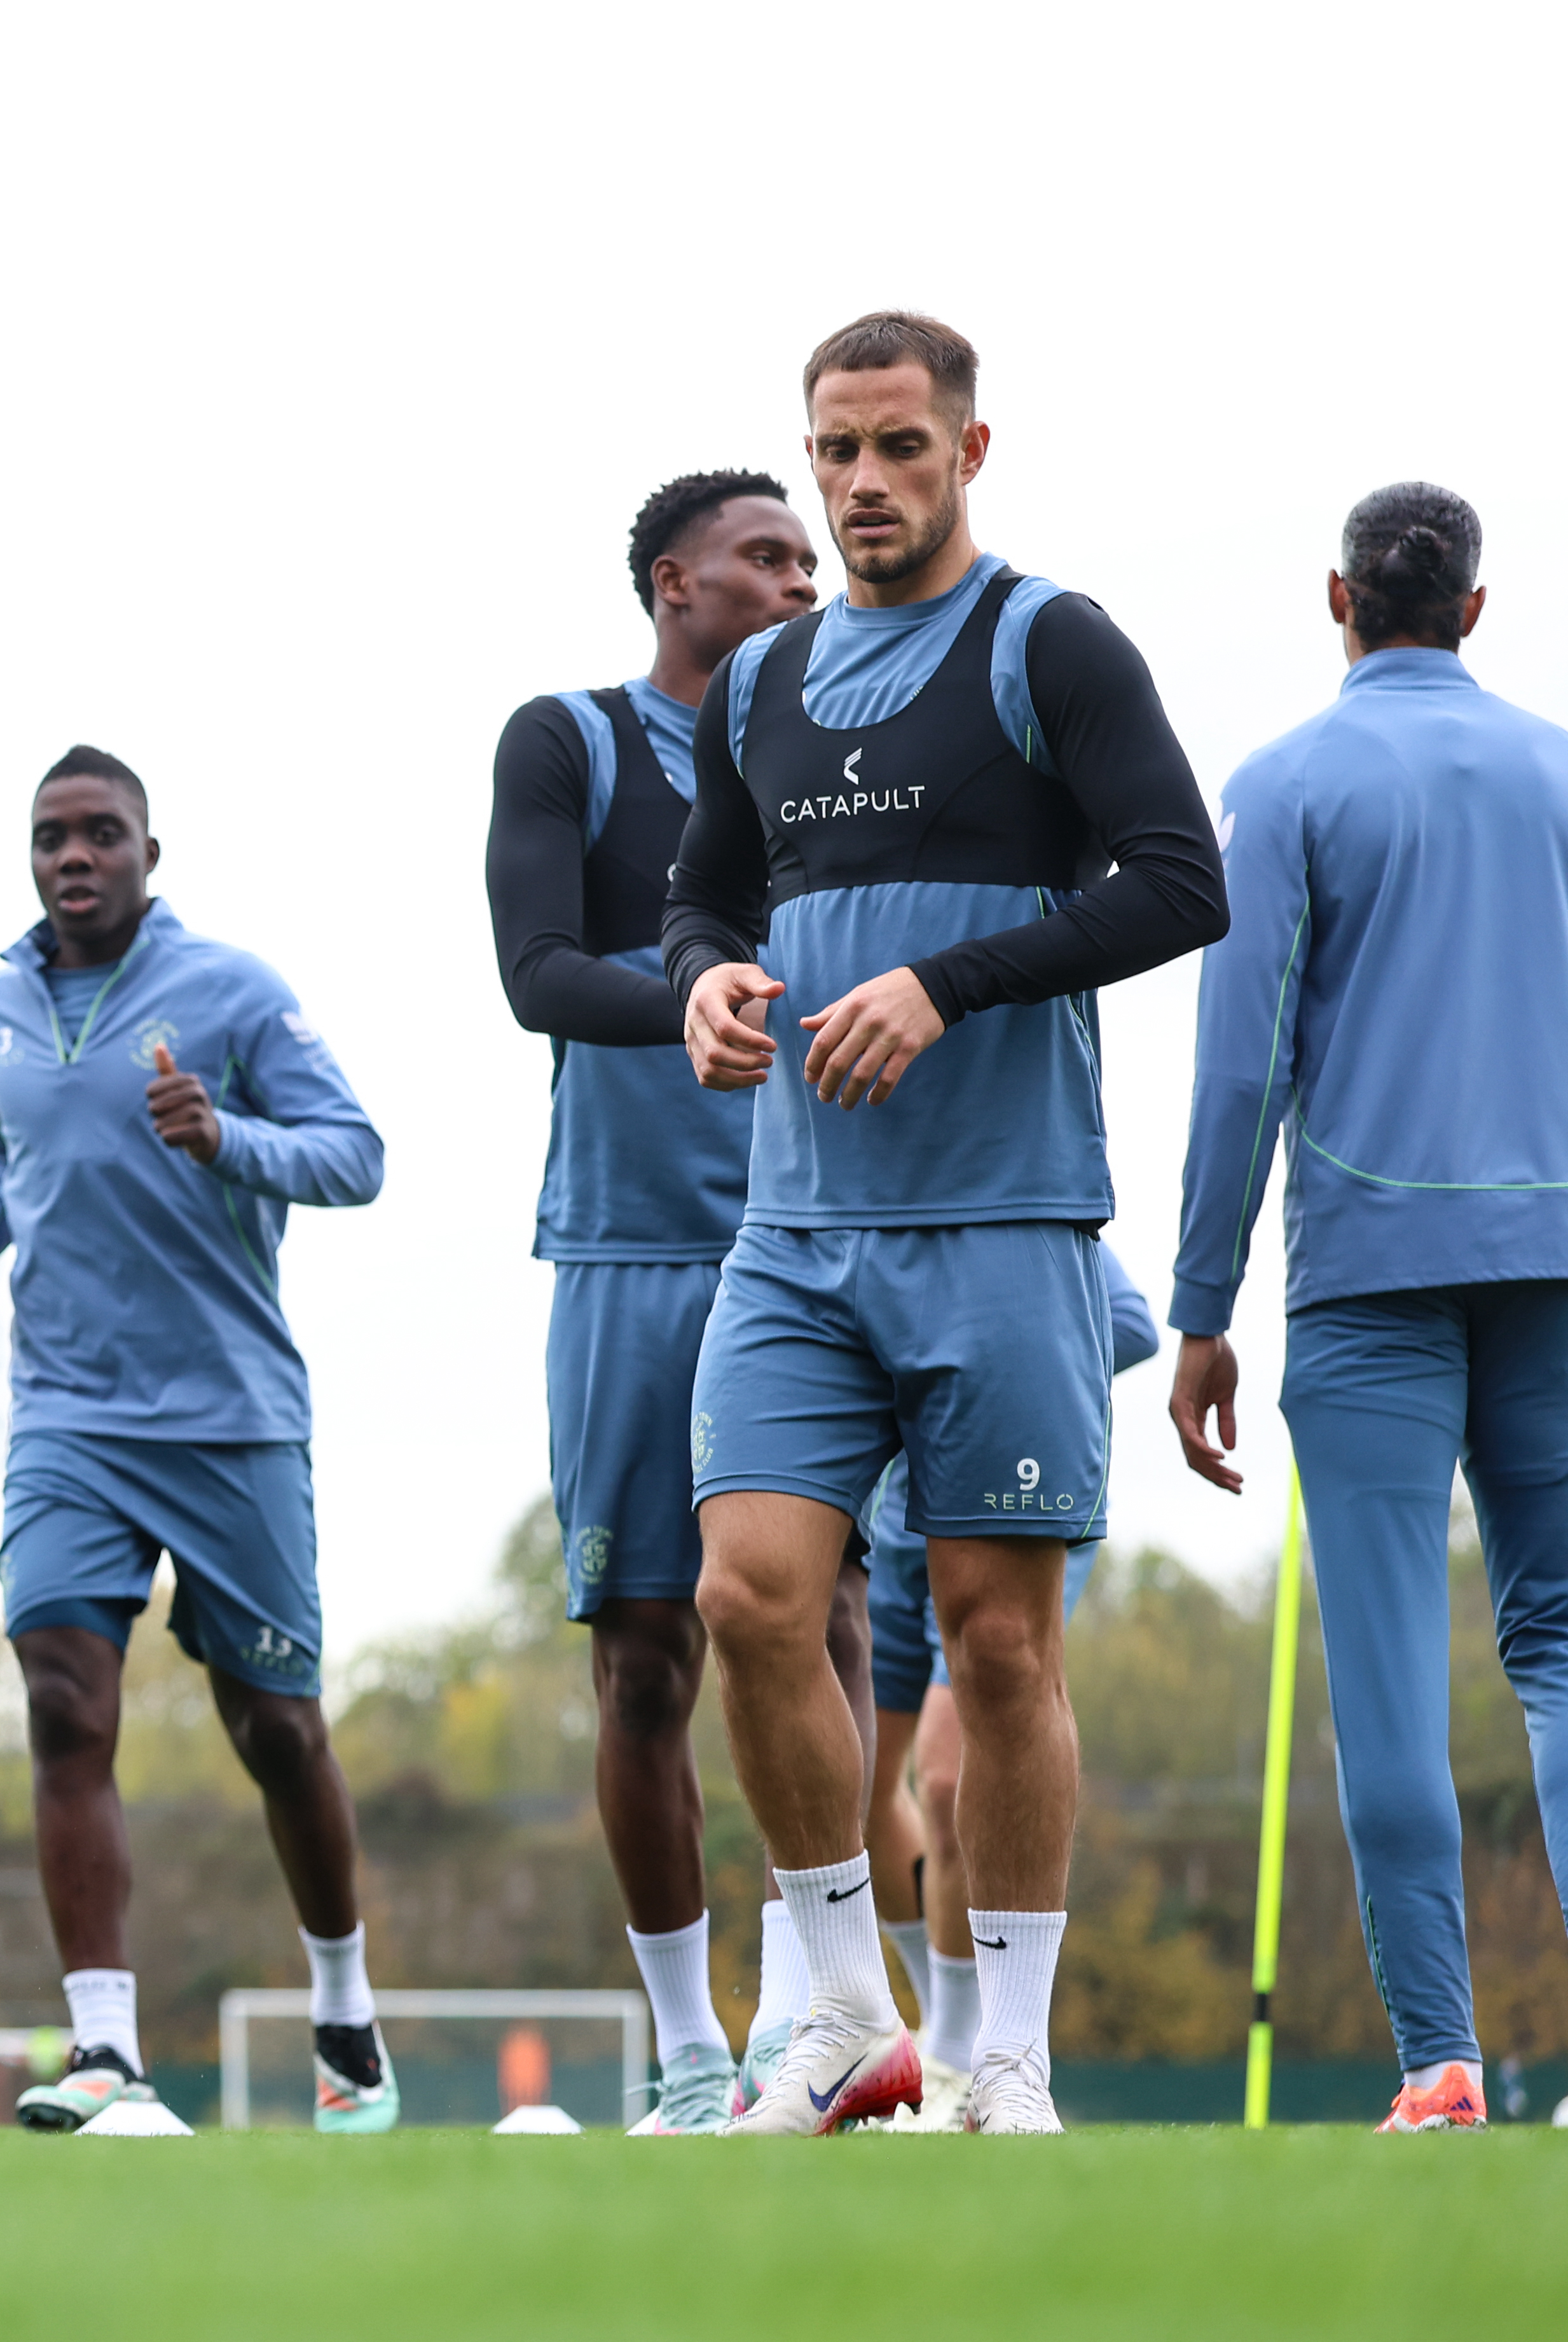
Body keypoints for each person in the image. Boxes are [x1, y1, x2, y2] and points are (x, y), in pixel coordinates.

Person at [664, 309, 1225, 2136]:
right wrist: (701, 984)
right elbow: (700, 897)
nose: (861, 484)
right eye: (834, 450)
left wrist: (944, 984)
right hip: (794, 1237)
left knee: (996, 1645)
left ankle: (1008, 2052)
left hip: (1003, 1225)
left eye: (898, 448)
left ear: (965, 453)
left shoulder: (1045, 641)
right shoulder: (754, 685)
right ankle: (838, 2004)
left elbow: (1175, 880)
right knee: (745, 1594)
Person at [1170, 483, 1568, 2134]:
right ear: (1473, 608)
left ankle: (1440, 2060)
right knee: (1558, 1651)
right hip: (1554, 1263)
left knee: (1390, 1676)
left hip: (1366, 1290)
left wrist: (1199, 1304)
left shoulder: (1279, 784)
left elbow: (1237, 1062)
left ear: (1339, 598)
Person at [0, 747, 387, 2133]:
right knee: (62, 1699)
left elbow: (355, 1151)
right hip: (65, 1414)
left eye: (100, 835)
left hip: (230, 1417)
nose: (74, 858)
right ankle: (104, 2051)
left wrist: (225, 1137)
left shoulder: (231, 991)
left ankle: (345, 2011)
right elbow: (11, 1164)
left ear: (146, 853)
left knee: (277, 1730)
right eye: (51, 838)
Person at [483, 471, 841, 2134]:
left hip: (813, 1235)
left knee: (821, 1629)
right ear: (668, 578)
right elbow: (537, 975)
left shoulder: (841, 760)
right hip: (628, 1248)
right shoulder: (564, 739)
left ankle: (825, 2019)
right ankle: (690, 2049)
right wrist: (694, 990)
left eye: (808, 561)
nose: (796, 578)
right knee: (644, 1658)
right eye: (764, 555)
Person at [857, 1241, 1156, 2130]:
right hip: (887, 1512)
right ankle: (937, 2010)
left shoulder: (1018, 1215)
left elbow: (1133, 1324)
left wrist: (990, 1368)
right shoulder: (857, 1214)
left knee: (947, 1778)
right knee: (865, 1784)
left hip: (996, 1493)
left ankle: (957, 2048)